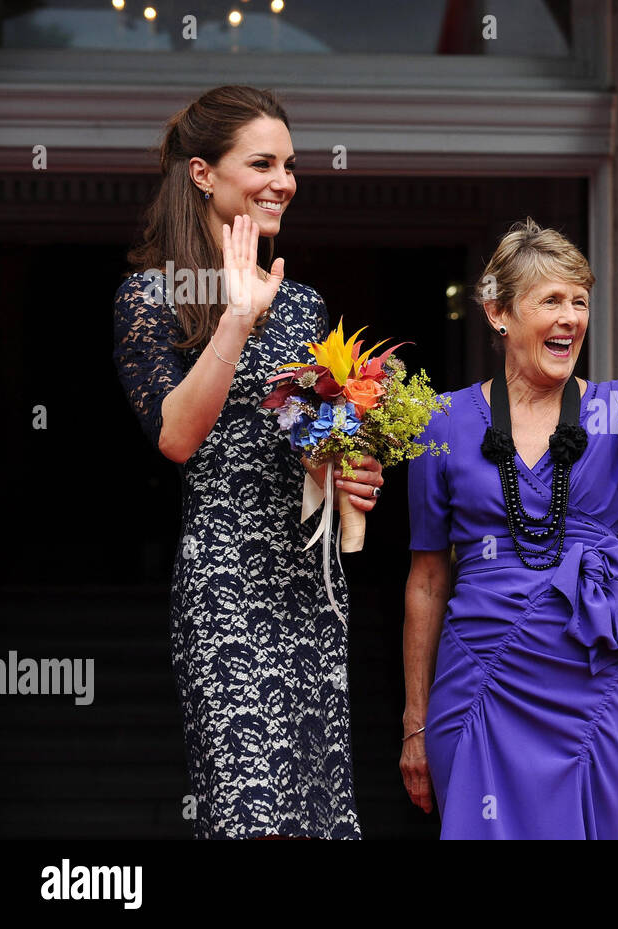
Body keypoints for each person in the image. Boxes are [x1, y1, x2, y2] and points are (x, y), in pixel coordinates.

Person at [400, 156, 618, 839]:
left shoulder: (617, 408)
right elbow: (428, 578)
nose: (570, 318)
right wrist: (414, 723)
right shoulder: (439, 421)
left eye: (579, 301)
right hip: (481, 683)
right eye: (551, 300)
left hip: (595, 680)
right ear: (498, 311)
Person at [113, 85, 383, 839]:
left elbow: (307, 439)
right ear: (202, 173)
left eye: (289, 165)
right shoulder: (152, 293)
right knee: (249, 814)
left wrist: (348, 471)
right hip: (227, 586)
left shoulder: (301, 305)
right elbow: (176, 436)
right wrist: (235, 317)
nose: (284, 181)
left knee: (314, 817)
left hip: (310, 587)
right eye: (262, 162)